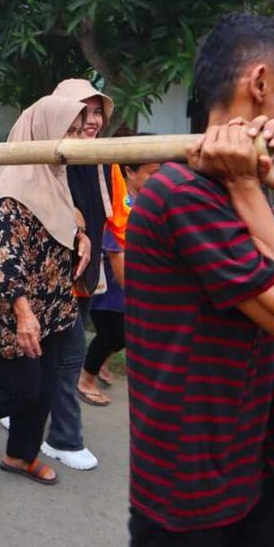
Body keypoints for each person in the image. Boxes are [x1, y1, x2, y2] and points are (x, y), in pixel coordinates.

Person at [0, 13, 274, 547]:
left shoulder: (246, 186)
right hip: (187, 469)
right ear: (258, 81)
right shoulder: (183, 196)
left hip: (249, 457)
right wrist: (253, 190)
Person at [0, 95, 88, 488]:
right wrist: (24, 314)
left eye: (79, 131)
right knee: (21, 389)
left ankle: (19, 455)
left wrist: (83, 237)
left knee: (43, 386)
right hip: (14, 302)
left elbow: (63, 227)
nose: (74, 141)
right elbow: (6, 259)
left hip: (54, 300)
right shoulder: (14, 187)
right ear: (42, 132)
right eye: (67, 132)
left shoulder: (54, 177)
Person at [31, 78, 113, 472]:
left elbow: (102, 216)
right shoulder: (47, 157)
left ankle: (14, 405)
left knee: (48, 355)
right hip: (53, 276)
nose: (92, 120)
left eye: (97, 111)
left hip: (83, 276)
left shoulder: (92, 158)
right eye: (83, 111)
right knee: (68, 358)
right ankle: (63, 437)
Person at [76, 161, 160, 400]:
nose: (158, 179)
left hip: (130, 280)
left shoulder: (144, 203)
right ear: (129, 172)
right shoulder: (120, 202)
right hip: (113, 284)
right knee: (114, 334)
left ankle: (99, 364)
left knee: (120, 333)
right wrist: (133, 289)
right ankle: (86, 379)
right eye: (152, 173)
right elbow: (115, 251)